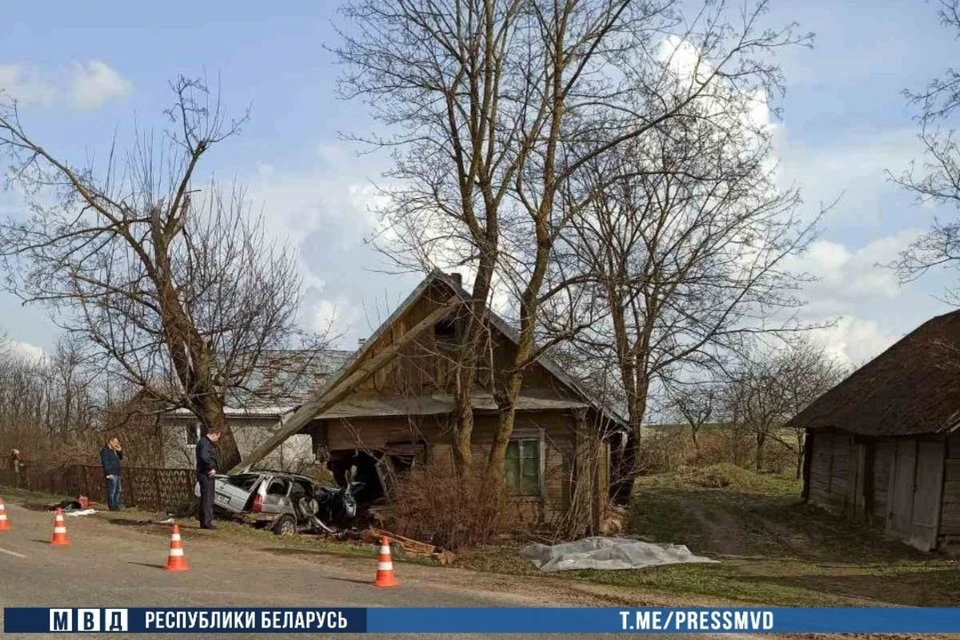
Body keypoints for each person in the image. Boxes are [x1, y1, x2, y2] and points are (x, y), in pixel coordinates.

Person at [196, 426, 221, 530]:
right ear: (214, 434)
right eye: (217, 437)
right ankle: (207, 522)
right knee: (208, 498)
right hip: (206, 474)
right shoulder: (205, 444)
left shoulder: (203, 442)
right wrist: (211, 467)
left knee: (205, 498)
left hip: (203, 473)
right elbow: (204, 457)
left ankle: (203, 521)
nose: (217, 440)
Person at [99, 438, 123, 511]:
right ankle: (112, 506)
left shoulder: (114, 450)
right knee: (111, 490)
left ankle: (116, 505)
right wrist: (109, 473)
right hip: (111, 473)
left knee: (118, 490)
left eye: (117, 442)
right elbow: (105, 463)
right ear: (110, 441)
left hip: (117, 472)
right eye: (115, 442)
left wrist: (120, 451)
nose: (116, 443)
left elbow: (121, 458)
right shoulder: (105, 451)